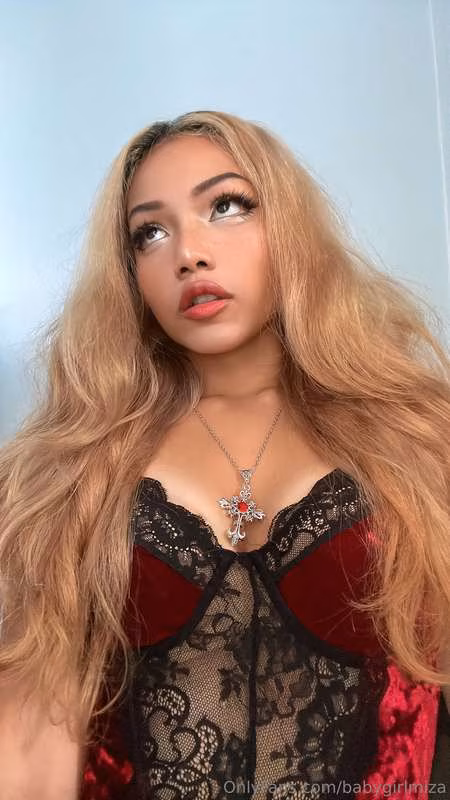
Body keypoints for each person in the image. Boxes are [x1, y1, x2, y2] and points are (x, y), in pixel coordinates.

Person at [0, 110, 449, 800]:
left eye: (227, 206)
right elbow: (30, 746)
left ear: (288, 226)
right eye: (150, 233)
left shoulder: (418, 434)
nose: (188, 253)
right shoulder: (71, 469)